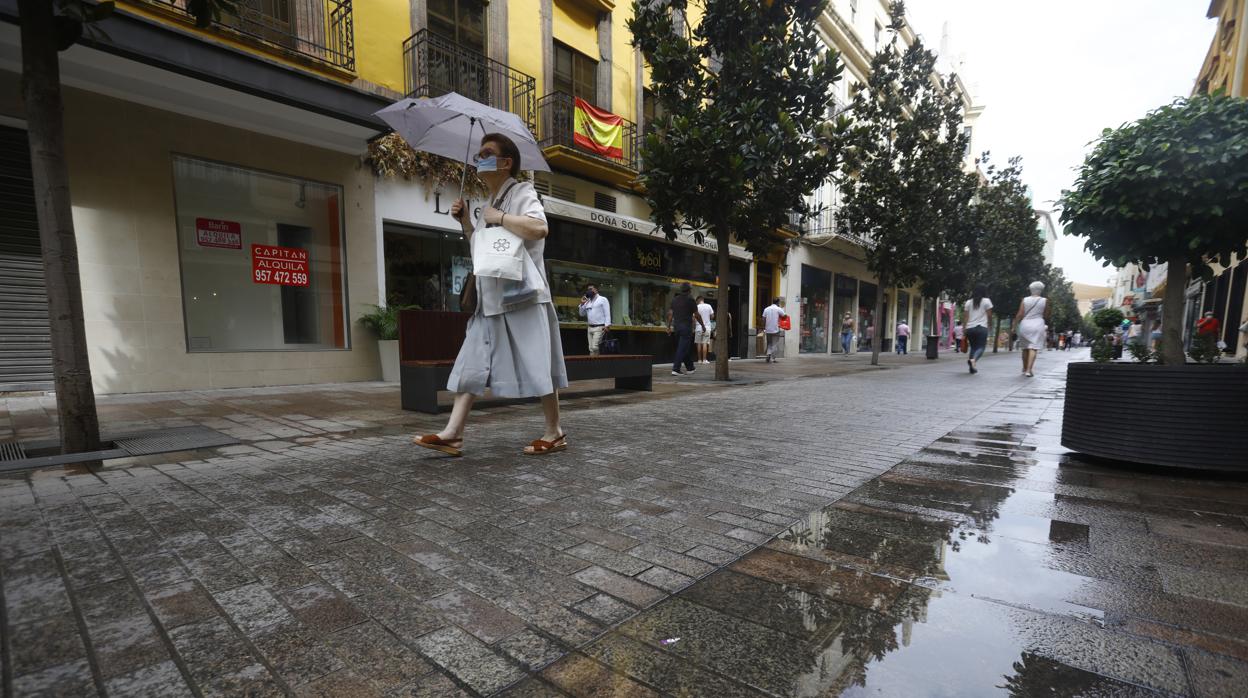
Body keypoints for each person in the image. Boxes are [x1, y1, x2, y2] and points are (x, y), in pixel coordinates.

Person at [414, 133, 567, 457]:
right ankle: (453, 433)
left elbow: (539, 229)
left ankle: (554, 431)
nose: (478, 159)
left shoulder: (522, 192)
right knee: (471, 360)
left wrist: (501, 218)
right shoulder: (488, 205)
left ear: (506, 162)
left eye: (486, 153)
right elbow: (482, 251)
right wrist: (467, 222)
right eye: (479, 153)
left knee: (539, 362)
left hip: (523, 297)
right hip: (491, 302)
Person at [1014, 281, 1051, 377]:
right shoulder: (1045, 300)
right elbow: (1046, 314)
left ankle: (1024, 368)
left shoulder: (1025, 300)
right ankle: (1029, 370)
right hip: (1038, 324)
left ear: (1031, 289)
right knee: (1033, 348)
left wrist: (1014, 325)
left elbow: (1020, 314)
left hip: (1025, 324)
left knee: (1025, 348)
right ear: (1041, 290)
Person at [667, 282, 705, 376]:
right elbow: (696, 315)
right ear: (689, 290)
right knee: (682, 348)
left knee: (684, 348)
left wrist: (668, 326)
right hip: (686, 327)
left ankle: (690, 368)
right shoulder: (690, 300)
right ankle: (676, 369)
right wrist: (703, 325)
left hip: (677, 327)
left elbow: (670, 314)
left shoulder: (675, 299)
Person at [963, 284, 993, 374]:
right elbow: (990, 315)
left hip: (970, 328)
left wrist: (964, 329)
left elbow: (965, 317)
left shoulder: (968, 302)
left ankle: (972, 368)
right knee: (981, 347)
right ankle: (974, 360)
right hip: (981, 328)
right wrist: (990, 325)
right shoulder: (987, 301)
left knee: (973, 347)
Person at [578, 284, 611, 356]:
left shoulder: (603, 299)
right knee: (590, 348)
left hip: (600, 327)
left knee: (595, 346)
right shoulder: (587, 301)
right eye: (588, 289)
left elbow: (607, 313)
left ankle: (596, 362)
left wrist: (607, 325)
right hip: (590, 328)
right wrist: (582, 304)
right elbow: (581, 314)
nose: (589, 291)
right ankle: (593, 363)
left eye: (591, 289)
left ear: (596, 290)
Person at [762, 297, 787, 363]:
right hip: (775, 329)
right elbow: (785, 316)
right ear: (778, 302)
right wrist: (781, 317)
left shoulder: (766, 309)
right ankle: (772, 359)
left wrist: (764, 327)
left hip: (768, 330)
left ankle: (768, 355)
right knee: (774, 344)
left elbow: (763, 319)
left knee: (769, 343)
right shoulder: (779, 309)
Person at [695, 295, 715, 364]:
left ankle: (699, 360)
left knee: (698, 344)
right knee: (705, 343)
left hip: (698, 327)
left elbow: (694, 317)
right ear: (703, 300)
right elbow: (712, 316)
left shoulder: (696, 307)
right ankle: (704, 360)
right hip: (707, 327)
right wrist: (707, 318)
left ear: (698, 300)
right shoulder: (709, 306)